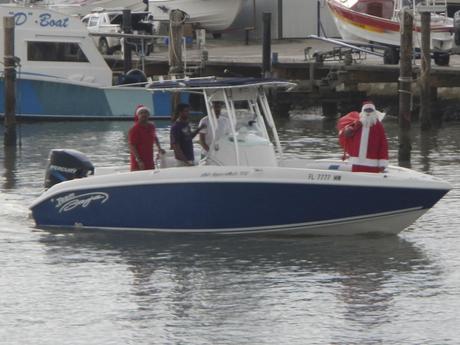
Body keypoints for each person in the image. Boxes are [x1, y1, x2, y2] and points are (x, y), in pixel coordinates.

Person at [338, 101, 389, 173]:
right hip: (357, 162)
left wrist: (382, 163)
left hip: (373, 163)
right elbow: (347, 135)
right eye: (366, 110)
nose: (368, 112)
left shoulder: (378, 126)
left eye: (370, 110)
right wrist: (347, 130)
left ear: (374, 112)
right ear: (362, 111)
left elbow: (383, 145)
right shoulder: (357, 124)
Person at [128, 105, 165, 171]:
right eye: (141, 113)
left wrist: (159, 148)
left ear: (149, 115)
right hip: (138, 160)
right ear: (138, 115)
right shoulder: (134, 129)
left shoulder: (151, 126)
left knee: (150, 175)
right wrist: (139, 160)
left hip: (149, 158)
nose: (144, 114)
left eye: (146, 112)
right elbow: (132, 146)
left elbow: (155, 137)